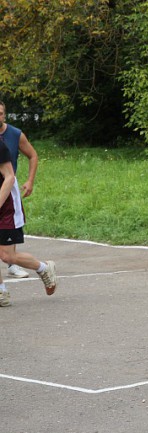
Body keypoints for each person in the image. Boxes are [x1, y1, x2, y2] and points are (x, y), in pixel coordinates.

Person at [0, 138, 56, 307]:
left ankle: (44, 268)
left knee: (6, 256)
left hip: (7, 206)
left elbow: (9, 177)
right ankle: (1, 291)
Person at [0, 101, 38, 279]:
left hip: (7, 187)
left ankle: (12, 264)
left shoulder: (15, 134)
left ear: (5, 114)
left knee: (8, 235)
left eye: (0, 113)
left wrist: (30, 181)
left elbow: (32, 155)